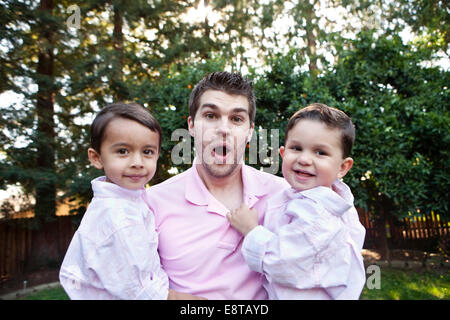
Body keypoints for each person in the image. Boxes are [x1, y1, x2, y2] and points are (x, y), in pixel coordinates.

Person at [146, 72, 290, 299]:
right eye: (211, 115)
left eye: (237, 119)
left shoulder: (284, 196)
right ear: (192, 126)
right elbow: (129, 283)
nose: (223, 128)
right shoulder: (153, 202)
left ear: (250, 131)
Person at [59, 103, 202, 300]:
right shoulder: (116, 215)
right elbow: (134, 289)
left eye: (148, 152)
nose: (137, 162)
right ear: (97, 157)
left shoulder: (130, 202)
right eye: (123, 151)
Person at [227, 103, 366, 299]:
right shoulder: (310, 200)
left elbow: (282, 262)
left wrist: (251, 230)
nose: (305, 159)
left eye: (320, 152)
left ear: (343, 167)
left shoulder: (319, 215)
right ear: (283, 153)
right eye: (297, 148)